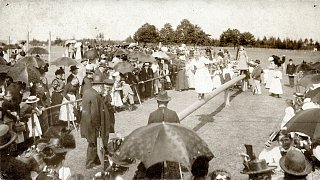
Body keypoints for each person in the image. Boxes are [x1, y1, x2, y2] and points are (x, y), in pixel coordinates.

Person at [80, 76, 111, 169]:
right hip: (92, 124)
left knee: (92, 142)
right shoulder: (95, 95)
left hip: (86, 122)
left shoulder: (87, 92)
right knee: (92, 143)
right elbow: (95, 112)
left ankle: (95, 160)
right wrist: (98, 125)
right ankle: (90, 163)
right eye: (102, 87)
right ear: (99, 86)